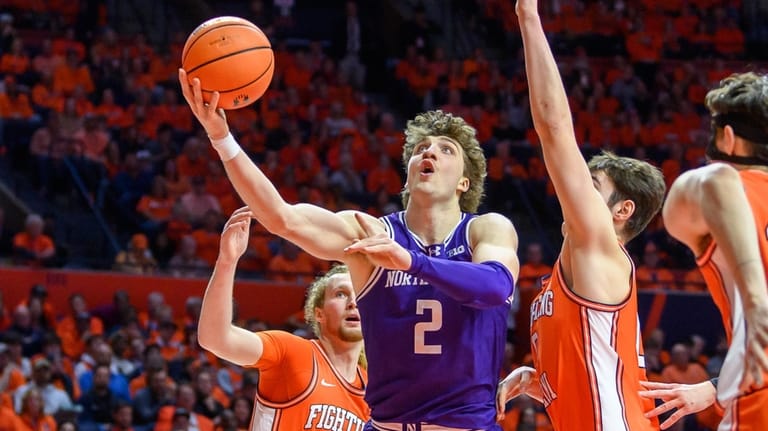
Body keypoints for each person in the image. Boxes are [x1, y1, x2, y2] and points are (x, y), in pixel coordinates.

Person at [180, 61, 520, 428]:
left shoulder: (485, 230)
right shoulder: (370, 233)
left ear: (464, 184)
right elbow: (282, 218)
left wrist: (411, 262)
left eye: (446, 149)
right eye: (421, 147)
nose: (429, 152)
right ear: (407, 179)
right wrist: (221, 137)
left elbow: (495, 286)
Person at [497, 1, 666, 430]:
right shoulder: (579, 268)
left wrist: (528, 15)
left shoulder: (599, 247)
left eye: (593, 189)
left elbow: (554, 131)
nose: (574, 194)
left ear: (621, 211)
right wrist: (542, 379)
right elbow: (600, 367)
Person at [639, 71, 768, 430]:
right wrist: (716, 387)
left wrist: (756, 298)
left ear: (728, 138)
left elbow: (713, 181)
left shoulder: (727, 186)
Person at [197, 208, 369, 430]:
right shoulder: (291, 352)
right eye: (341, 294)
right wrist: (227, 262)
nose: (353, 302)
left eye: (359, 295)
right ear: (319, 313)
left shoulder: (374, 390)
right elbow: (216, 338)